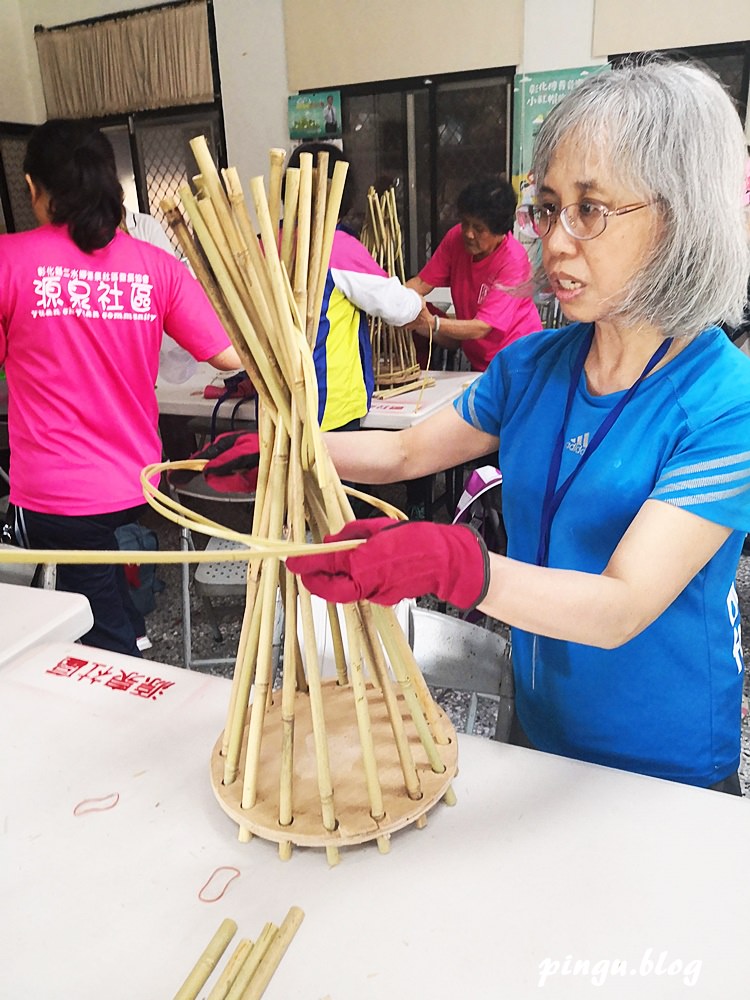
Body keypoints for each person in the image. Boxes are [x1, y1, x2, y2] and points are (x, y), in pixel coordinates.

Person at [244, 60, 749, 793]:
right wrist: (285, 452)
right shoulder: (534, 366)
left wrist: (459, 566)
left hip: (661, 758)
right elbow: (409, 450)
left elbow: (620, 606)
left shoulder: (724, 402)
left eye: (591, 209)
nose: (557, 242)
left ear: (681, 216)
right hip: (539, 722)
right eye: (548, 209)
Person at [0, 119, 242, 657]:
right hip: (137, 480)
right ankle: (131, 625)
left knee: (92, 631)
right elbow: (230, 355)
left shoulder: (8, 261)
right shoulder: (155, 267)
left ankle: (129, 691)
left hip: (58, 493)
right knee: (101, 584)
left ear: (34, 187)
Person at [284, 142, 430, 431]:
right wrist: (418, 302)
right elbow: (398, 308)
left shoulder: (269, 243)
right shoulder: (337, 248)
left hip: (276, 406)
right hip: (329, 406)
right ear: (343, 195)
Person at [405, 177, 541, 372]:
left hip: (520, 361)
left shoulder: (514, 260)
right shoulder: (455, 239)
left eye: (478, 229)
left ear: (499, 231)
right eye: (465, 223)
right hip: (480, 362)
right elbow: (421, 283)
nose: (468, 234)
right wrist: (392, 301)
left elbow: (482, 327)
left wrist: (431, 323)